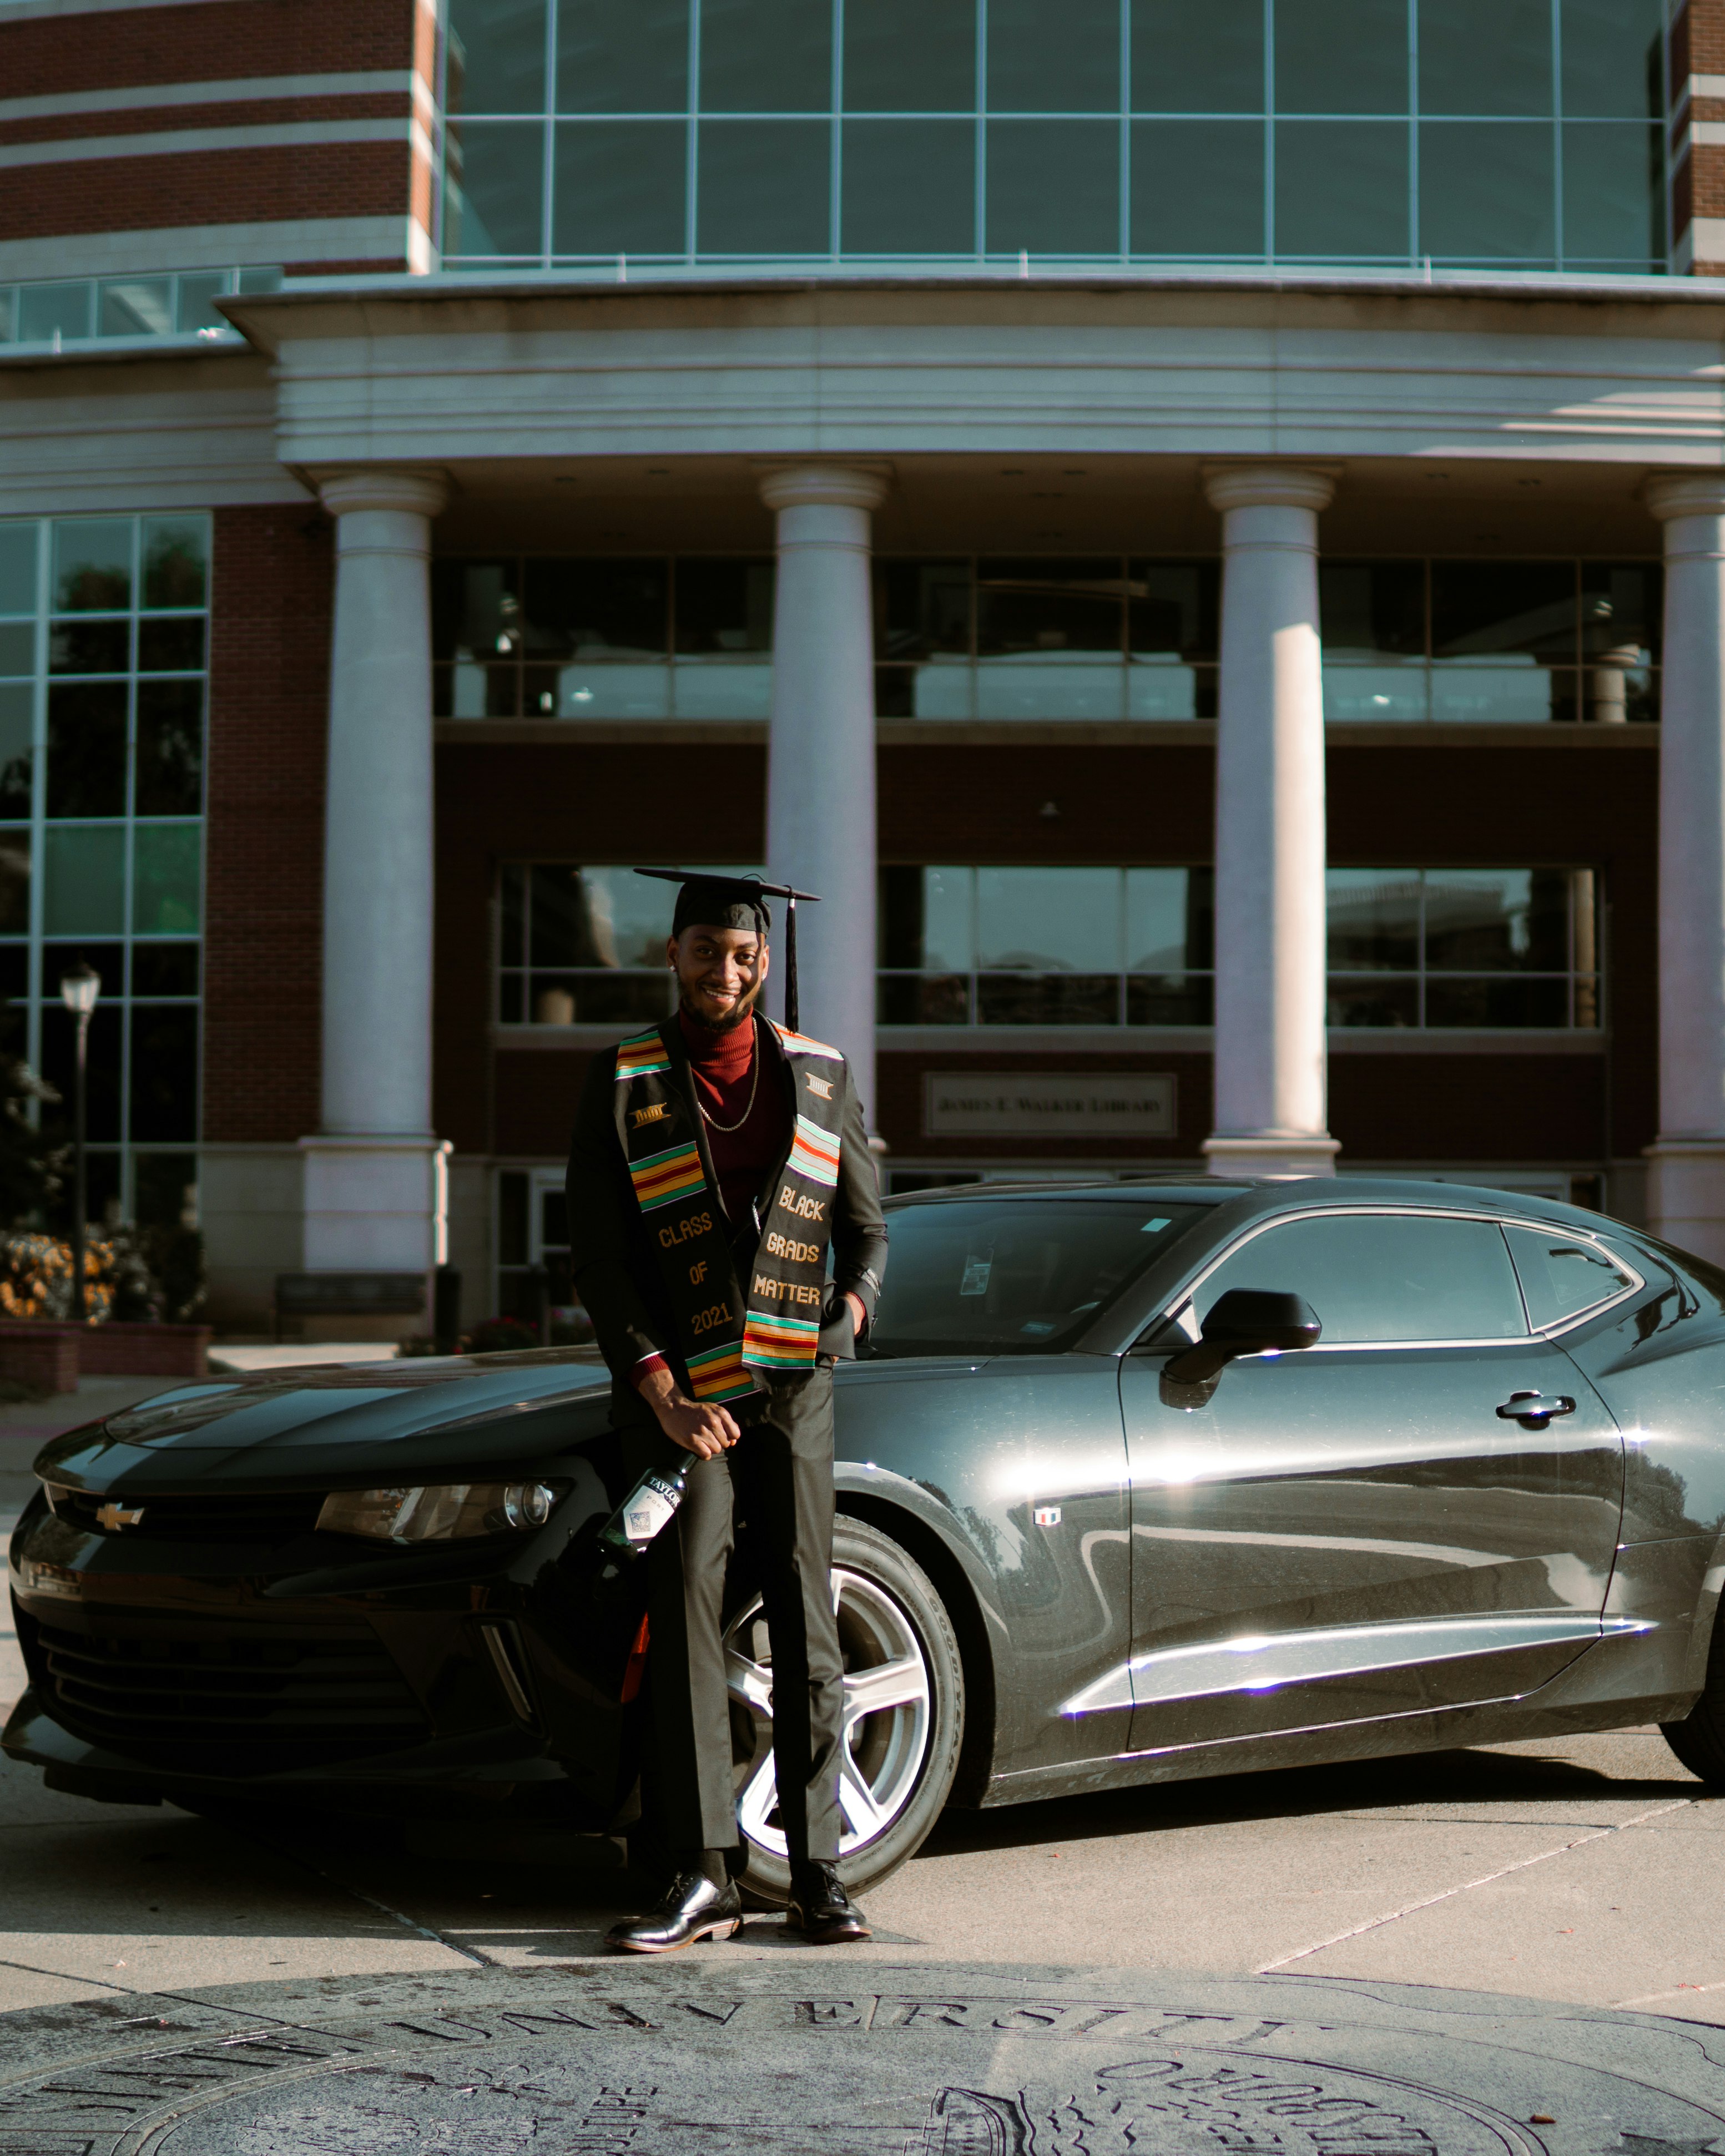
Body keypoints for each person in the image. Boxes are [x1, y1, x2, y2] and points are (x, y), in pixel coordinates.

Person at [565, 870, 887, 1953]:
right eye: (706, 948)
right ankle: (703, 1871)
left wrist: (851, 1307)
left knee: (805, 1604)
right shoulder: (625, 1078)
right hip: (681, 1390)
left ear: (763, 960)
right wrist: (657, 1386)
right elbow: (601, 1257)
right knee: (686, 1599)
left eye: (743, 952)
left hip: (795, 1379)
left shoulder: (821, 1074)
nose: (726, 967)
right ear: (673, 954)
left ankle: (820, 1872)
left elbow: (868, 1226)